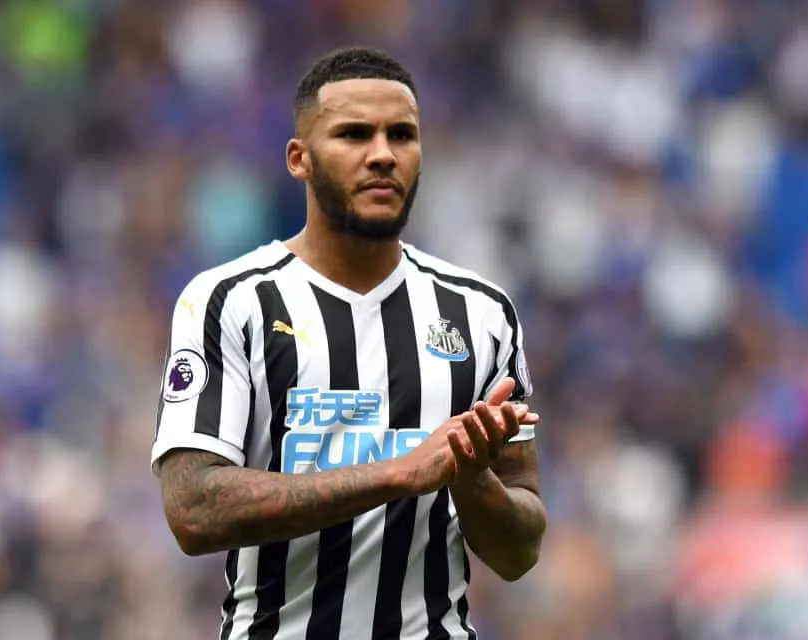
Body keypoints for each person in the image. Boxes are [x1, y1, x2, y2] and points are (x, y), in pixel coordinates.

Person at [152, 46, 547, 640]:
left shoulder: (482, 313)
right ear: (300, 159)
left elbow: (519, 552)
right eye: (354, 134)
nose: (383, 154)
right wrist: (398, 473)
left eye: (402, 135)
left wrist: (471, 479)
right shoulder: (231, 301)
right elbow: (192, 511)